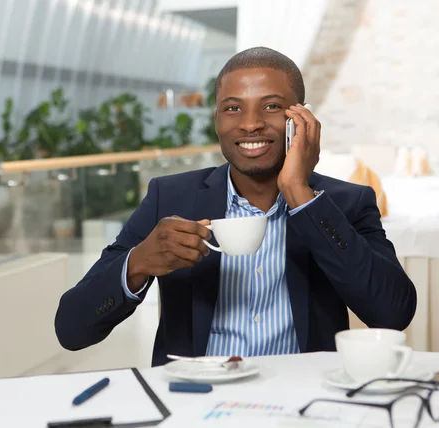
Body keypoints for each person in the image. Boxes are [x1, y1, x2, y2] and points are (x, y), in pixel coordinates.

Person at [54, 47, 417, 367]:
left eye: (272, 106)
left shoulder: (343, 203)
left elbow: (392, 313)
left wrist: (299, 193)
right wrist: (136, 264)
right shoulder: (170, 197)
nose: (250, 124)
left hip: (304, 404)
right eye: (233, 108)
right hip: (196, 401)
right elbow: (71, 329)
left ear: (301, 120)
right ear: (217, 121)